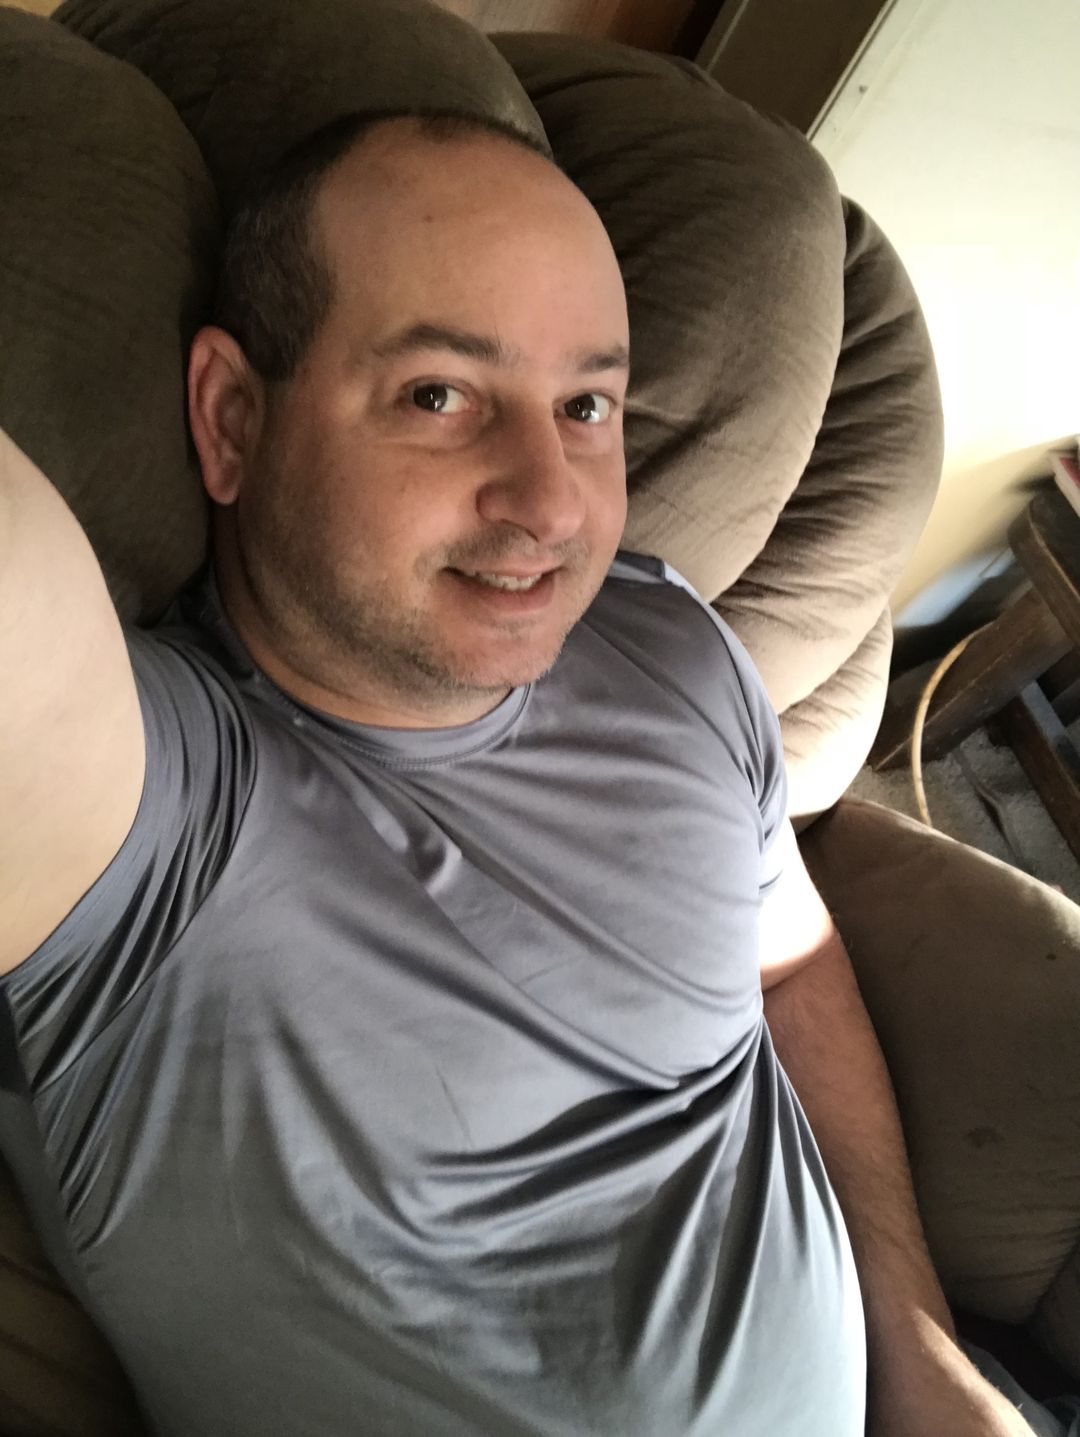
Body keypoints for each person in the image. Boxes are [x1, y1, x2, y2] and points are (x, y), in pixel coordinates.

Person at [0, 106, 1072, 1437]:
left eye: (586, 406)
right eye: (439, 395)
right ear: (231, 419)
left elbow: (789, 964)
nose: (553, 503)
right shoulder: (147, 824)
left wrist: (922, 1352)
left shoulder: (668, 643)